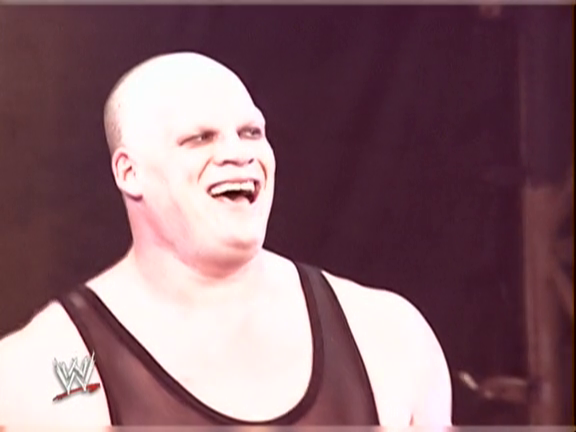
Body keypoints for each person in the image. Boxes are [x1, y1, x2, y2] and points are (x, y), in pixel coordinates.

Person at [0, 52, 452, 426]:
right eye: (200, 138)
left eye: (252, 133)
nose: (238, 153)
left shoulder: (389, 337)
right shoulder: (53, 364)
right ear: (129, 172)